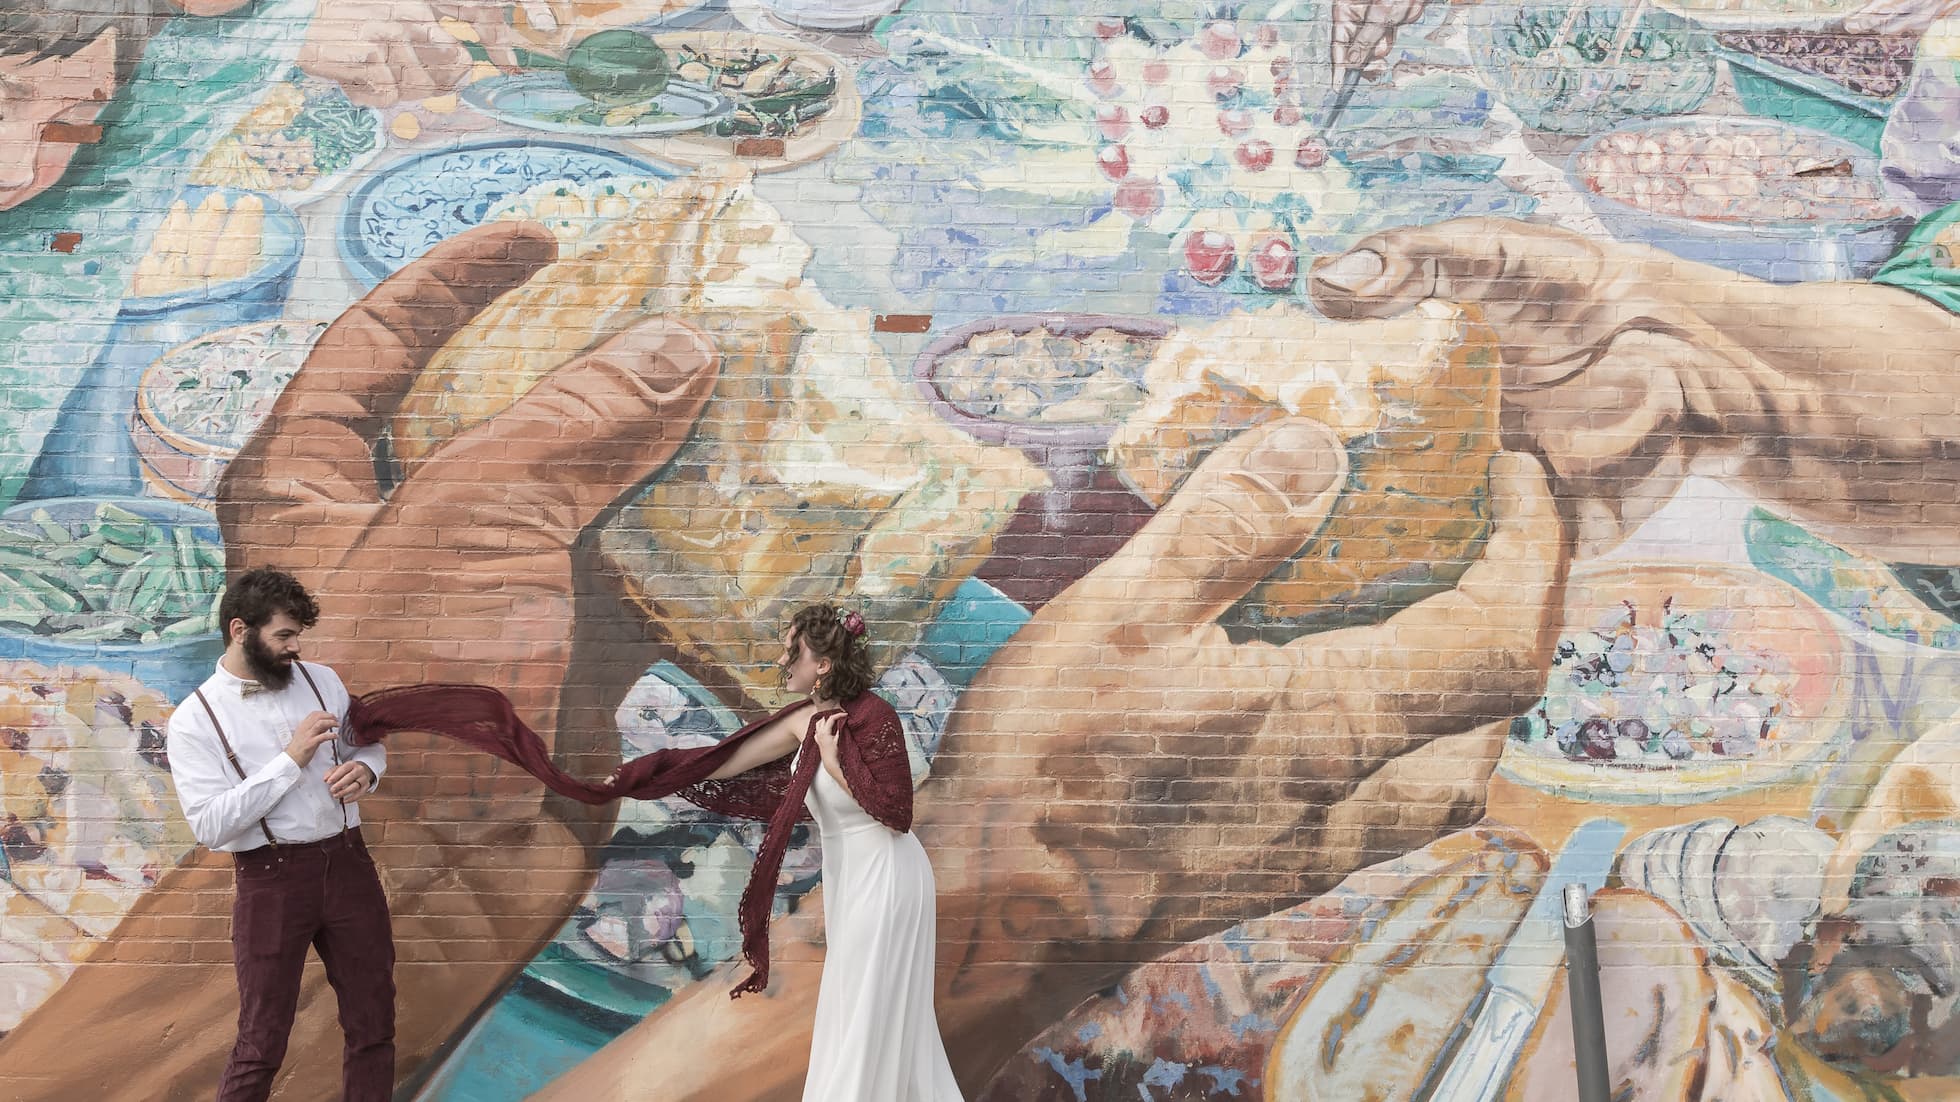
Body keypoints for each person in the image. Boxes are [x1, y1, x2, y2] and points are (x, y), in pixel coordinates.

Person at [164, 567, 394, 1102]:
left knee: (373, 1022)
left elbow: (368, 744)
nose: (295, 648)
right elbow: (212, 826)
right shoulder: (195, 719)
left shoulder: (324, 680)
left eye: (299, 636)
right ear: (240, 630)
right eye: (284, 636)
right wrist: (290, 759)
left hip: (349, 864)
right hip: (271, 881)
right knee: (262, 1039)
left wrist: (367, 770)